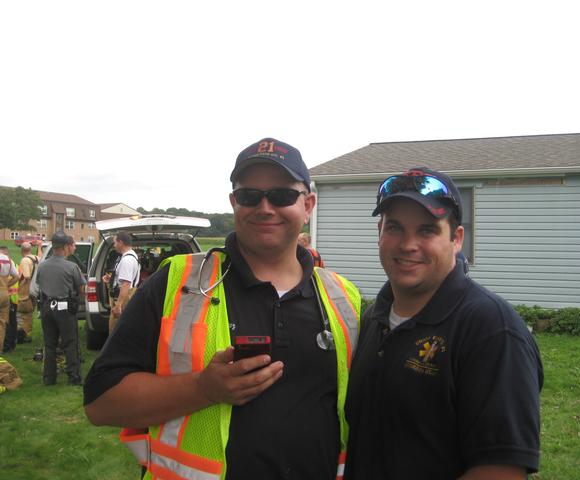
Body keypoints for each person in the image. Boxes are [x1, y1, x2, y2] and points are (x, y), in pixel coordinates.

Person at [83, 137, 361, 480]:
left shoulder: (344, 297)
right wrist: (203, 389)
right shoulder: (177, 282)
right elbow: (100, 403)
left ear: (308, 205)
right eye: (249, 196)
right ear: (234, 203)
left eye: (282, 195)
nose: (264, 207)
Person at [344, 167, 543, 480]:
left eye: (427, 230)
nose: (408, 244)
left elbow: (500, 470)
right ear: (379, 232)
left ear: (457, 238)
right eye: (395, 227)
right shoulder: (374, 318)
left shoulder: (490, 329)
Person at [34, 231, 86, 386]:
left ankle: (49, 378)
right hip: (64, 308)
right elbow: (81, 288)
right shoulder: (71, 266)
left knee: (49, 344)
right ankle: (73, 376)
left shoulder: (42, 266)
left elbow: (39, 285)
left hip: (46, 307)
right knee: (70, 343)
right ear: (65, 247)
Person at [102, 232, 140, 334]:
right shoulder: (130, 257)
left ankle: (115, 349)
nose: (114, 245)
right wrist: (112, 278)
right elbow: (126, 280)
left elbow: (126, 284)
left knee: (116, 330)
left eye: (115, 242)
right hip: (126, 296)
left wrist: (118, 305)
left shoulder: (127, 260)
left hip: (123, 299)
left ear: (120, 242)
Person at [17, 241, 41, 343]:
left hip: (25, 292)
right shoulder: (37, 258)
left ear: (22, 250)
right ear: (30, 250)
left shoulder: (25, 260)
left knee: (22, 314)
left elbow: (26, 276)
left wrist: (19, 281)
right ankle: (27, 334)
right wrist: (40, 246)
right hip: (35, 290)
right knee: (29, 314)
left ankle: (21, 336)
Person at [0, 246, 19, 353]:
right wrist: (6, 285)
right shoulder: (8, 260)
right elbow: (16, 276)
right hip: (4, 294)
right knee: (2, 324)